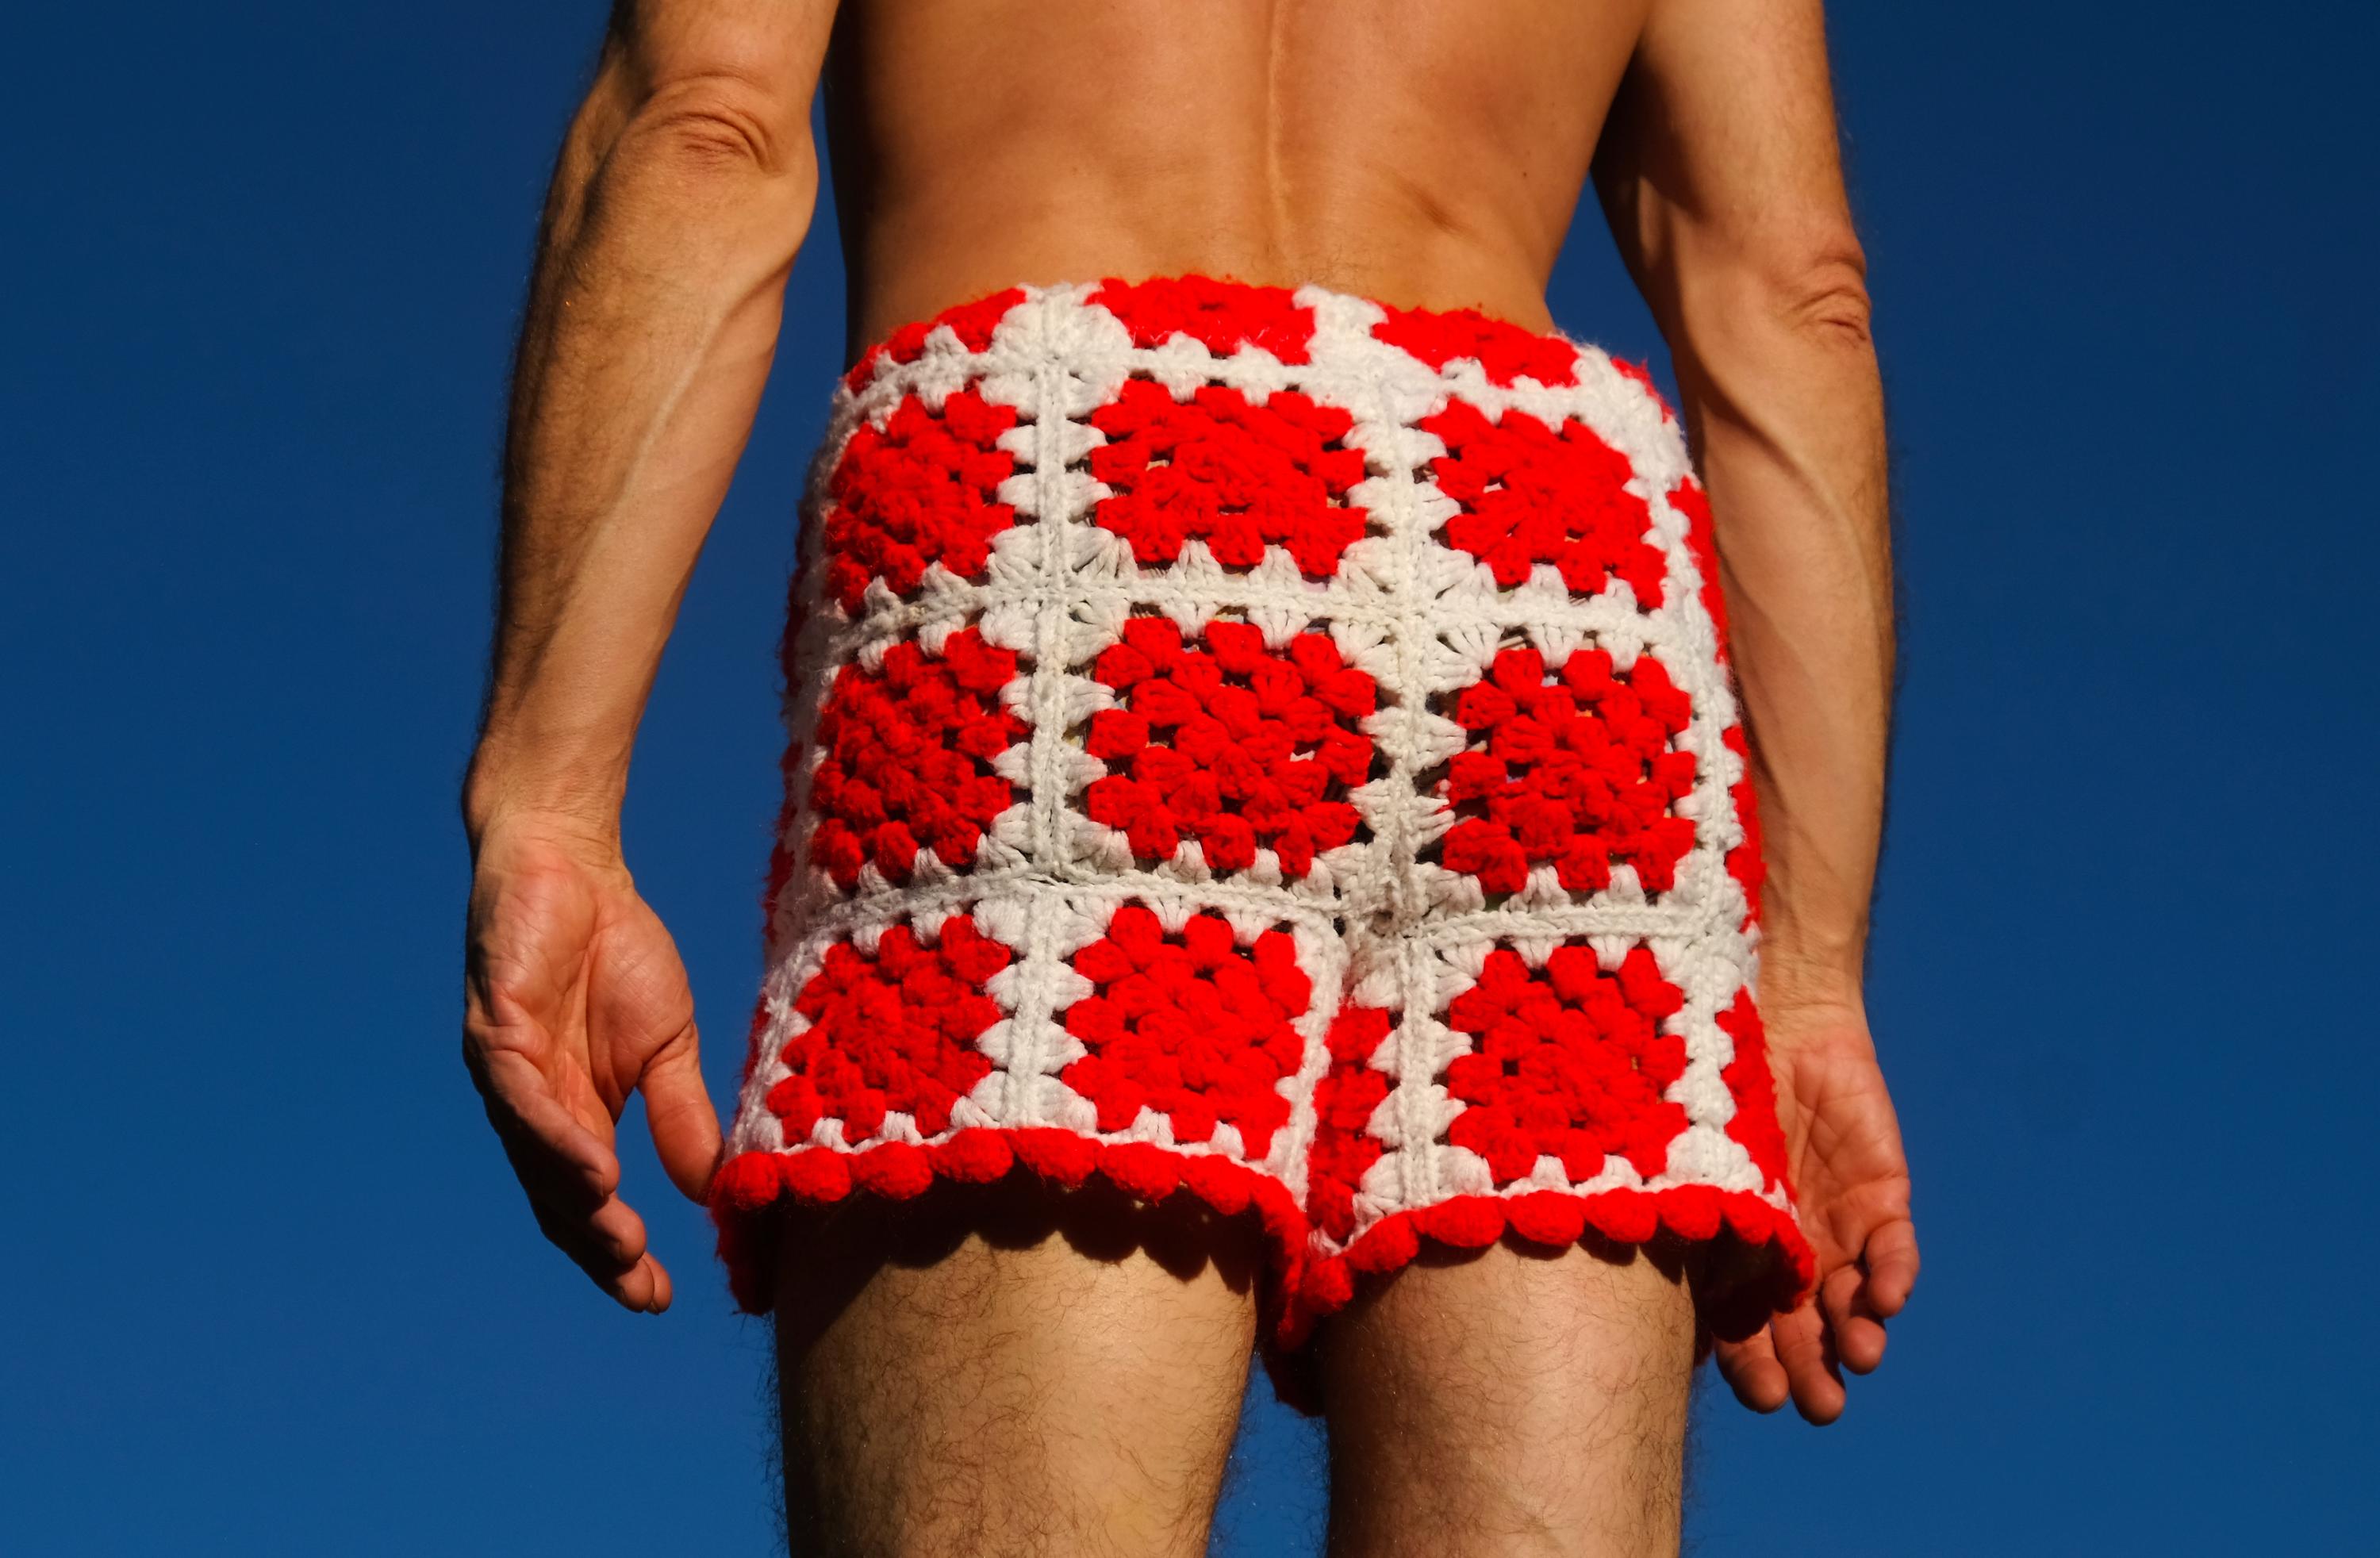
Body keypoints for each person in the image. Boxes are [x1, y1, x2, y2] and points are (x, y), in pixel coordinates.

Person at [459, 0, 1917, 1551]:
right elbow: (1794, 297)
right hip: (1550, 571)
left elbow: (703, 124)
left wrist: (551, 795)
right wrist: (1810, 978)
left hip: (1069, 497)